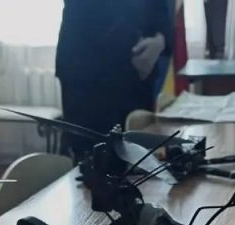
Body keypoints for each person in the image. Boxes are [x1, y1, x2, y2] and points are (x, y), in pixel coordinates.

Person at [56, 0, 173, 156]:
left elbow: (160, 12)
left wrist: (161, 41)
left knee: (139, 157)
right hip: (88, 78)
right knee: (90, 157)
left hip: (139, 79)